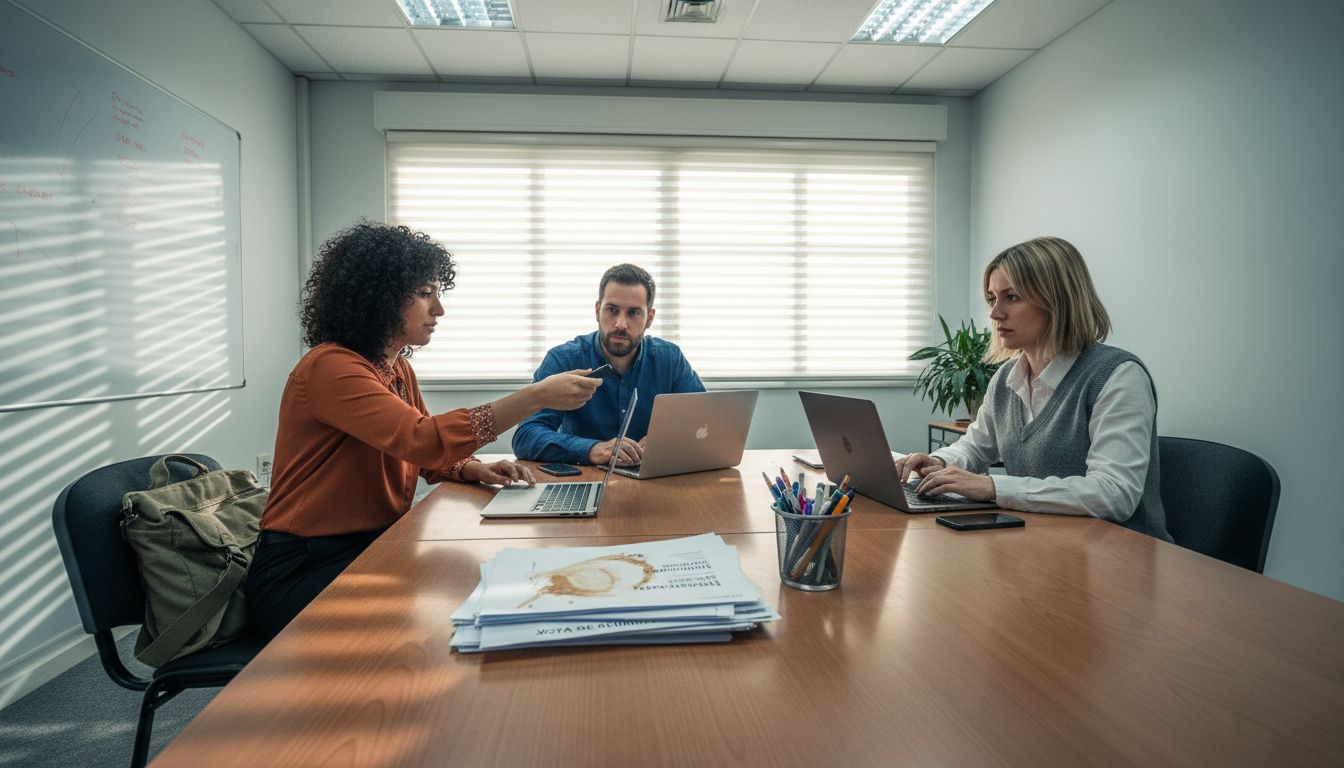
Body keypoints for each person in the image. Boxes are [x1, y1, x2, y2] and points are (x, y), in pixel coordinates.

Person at [246, 222, 601, 640]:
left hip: (369, 547)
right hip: (302, 569)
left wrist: (470, 468)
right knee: (457, 596)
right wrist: (534, 397)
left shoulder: (397, 368)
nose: (439, 310)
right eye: (425, 294)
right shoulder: (330, 367)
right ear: (381, 297)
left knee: (472, 580)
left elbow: (425, 454)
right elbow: (422, 439)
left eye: (438, 294)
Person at [895, 236, 1171, 541]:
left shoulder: (1117, 377)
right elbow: (975, 447)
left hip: (1122, 557)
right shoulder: (1006, 378)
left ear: (1057, 301)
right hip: (1046, 544)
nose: (995, 313)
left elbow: (1114, 493)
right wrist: (940, 462)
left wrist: (993, 487)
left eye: (1012, 297)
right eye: (992, 298)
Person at [511, 264, 705, 466]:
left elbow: (704, 420)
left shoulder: (670, 359)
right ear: (597, 310)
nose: (620, 324)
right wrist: (592, 449)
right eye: (612, 310)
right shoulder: (563, 360)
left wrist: (669, 440)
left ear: (650, 318)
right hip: (583, 480)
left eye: (633, 313)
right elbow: (526, 435)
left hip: (653, 480)